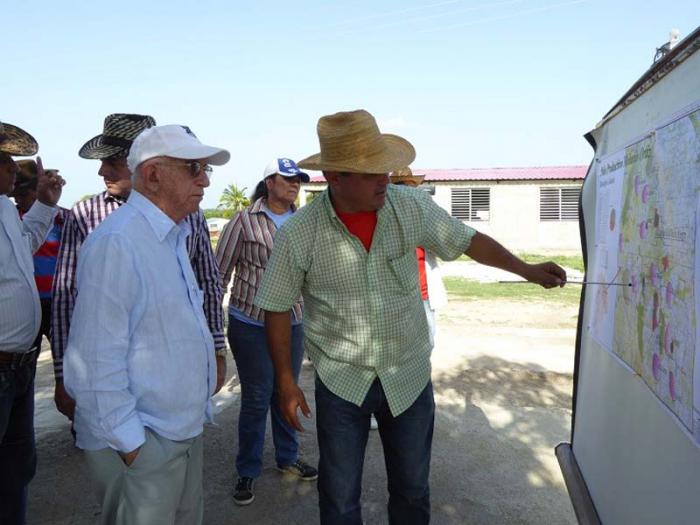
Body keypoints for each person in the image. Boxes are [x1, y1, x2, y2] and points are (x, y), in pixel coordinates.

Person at [254, 109, 567, 524]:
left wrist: (525, 270)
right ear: (334, 175)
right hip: (342, 382)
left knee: (413, 490)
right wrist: (286, 381)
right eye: (370, 173)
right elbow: (276, 305)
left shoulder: (410, 207)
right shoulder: (300, 233)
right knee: (339, 497)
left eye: (383, 168)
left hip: (408, 377)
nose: (384, 178)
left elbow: (467, 240)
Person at [63, 124, 230, 525]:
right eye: (194, 168)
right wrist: (135, 447)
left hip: (176, 433)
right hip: (144, 441)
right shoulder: (118, 242)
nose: (205, 180)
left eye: (205, 169)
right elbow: (93, 363)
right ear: (154, 174)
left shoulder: (168, 235)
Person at [51, 114, 227, 422]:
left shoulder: (189, 214)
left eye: (113, 161)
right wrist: (63, 374)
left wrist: (215, 347)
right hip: (118, 396)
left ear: (144, 166)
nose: (102, 169)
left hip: (172, 397)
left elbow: (208, 282)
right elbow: (66, 298)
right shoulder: (86, 215)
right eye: (193, 168)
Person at [215, 158, 317, 506]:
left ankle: (288, 457)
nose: (294, 185)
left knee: (286, 391)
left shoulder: (303, 222)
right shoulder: (243, 221)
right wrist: (213, 329)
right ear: (268, 183)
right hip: (251, 323)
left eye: (298, 181)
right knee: (258, 396)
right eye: (287, 179)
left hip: (293, 322)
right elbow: (219, 275)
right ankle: (248, 469)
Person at [0, 121, 65, 525]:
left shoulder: (5, 210)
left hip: (18, 367)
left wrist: (44, 201)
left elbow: (25, 246)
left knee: (16, 466)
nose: (13, 168)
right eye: (5, 161)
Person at [10, 160, 70, 351]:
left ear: (39, 189)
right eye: (15, 196)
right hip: (27, 305)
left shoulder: (66, 219)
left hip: (60, 303)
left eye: (23, 194)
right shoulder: (11, 220)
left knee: (66, 359)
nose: (18, 200)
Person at [389, 166, 447, 346]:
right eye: (401, 186)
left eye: (410, 186)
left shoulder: (425, 216)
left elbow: (443, 247)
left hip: (423, 295)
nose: (407, 190)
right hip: (397, 296)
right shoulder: (387, 219)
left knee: (428, 341)